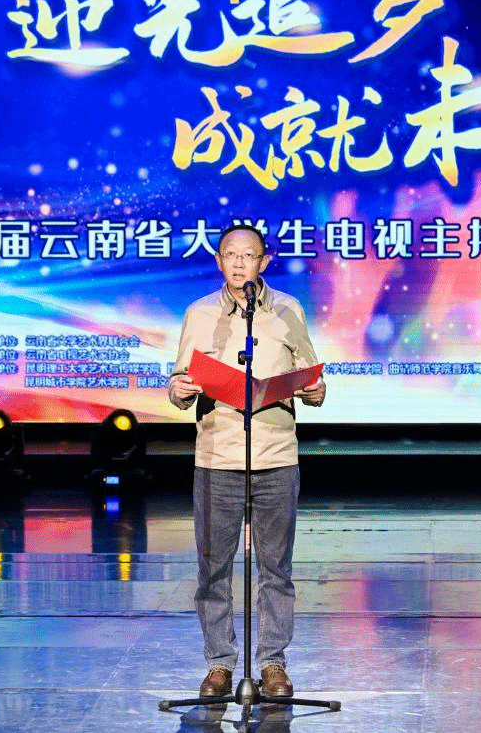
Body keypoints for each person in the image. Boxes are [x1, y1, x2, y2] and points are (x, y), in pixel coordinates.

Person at [167, 224, 326, 699]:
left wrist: (315, 389)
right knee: (213, 567)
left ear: (264, 261)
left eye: (249, 255)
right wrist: (179, 389)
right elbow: (179, 382)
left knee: (275, 567)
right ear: (219, 261)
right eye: (231, 255)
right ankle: (219, 664)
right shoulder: (200, 314)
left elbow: (311, 376)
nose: (239, 263)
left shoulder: (288, 310)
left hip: (275, 454)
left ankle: (272, 664)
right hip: (218, 456)